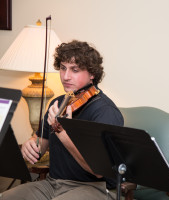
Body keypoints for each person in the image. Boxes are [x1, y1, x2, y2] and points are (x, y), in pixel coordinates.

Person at [1, 40, 124, 200]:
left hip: (94, 188)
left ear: (92, 74)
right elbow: (41, 146)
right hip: (53, 183)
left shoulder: (104, 111)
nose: (66, 76)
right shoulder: (58, 103)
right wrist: (30, 145)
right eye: (63, 68)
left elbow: (98, 171)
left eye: (75, 70)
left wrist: (62, 132)